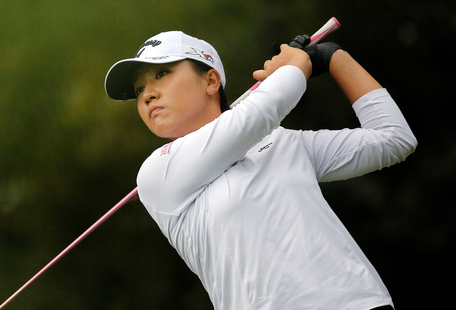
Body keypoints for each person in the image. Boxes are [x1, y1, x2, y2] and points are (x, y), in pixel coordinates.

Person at [104, 30, 416, 310]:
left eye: (162, 73)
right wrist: (296, 66)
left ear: (211, 81)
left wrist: (334, 58)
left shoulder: (281, 143)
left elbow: (393, 139)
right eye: (140, 88)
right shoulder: (157, 173)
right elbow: (264, 110)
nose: (147, 94)